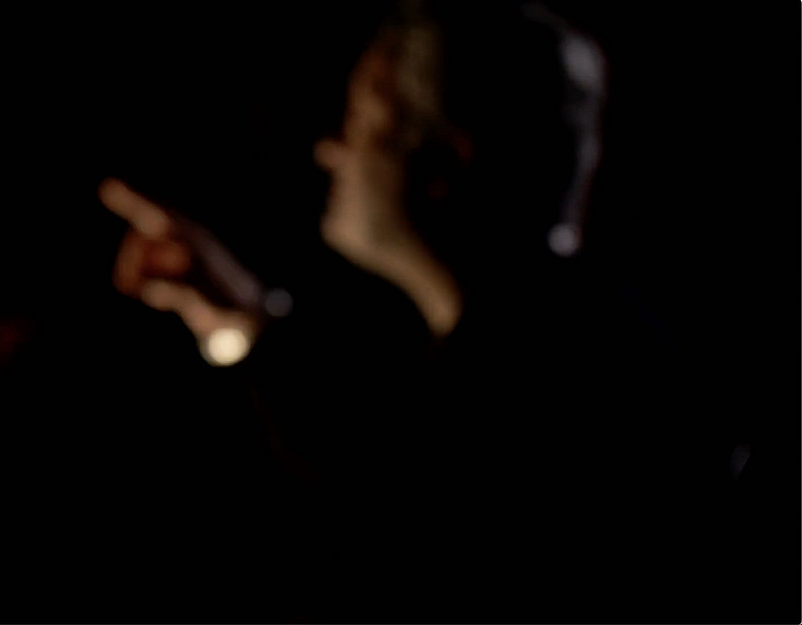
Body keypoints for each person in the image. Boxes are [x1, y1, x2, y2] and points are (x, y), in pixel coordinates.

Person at [99, 2, 738, 621]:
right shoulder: (560, 349)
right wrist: (236, 318)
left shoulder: (559, 399)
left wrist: (241, 323)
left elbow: (382, 503)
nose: (330, 150)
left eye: (362, 121)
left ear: (445, 160)